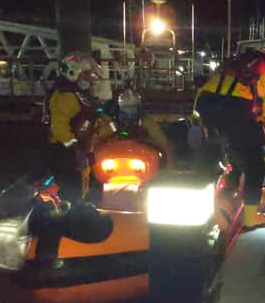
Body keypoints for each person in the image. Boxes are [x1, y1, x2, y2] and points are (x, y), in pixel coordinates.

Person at [195, 50, 265, 229]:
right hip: (233, 106)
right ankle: (250, 217)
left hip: (205, 103)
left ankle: (223, 200)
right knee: (255, 164)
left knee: (235, 159)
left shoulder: (231, 69)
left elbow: (203, 92)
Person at [47, 52, 111, 203]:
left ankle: (78, 208)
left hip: (80, 150)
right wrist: (75, 148)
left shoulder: (80, 95)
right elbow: (59, 126)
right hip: (68, 154)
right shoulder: (68, 97)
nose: (90, 78)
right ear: (73, 73)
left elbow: (92, 117)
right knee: (72, 192)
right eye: (86, 74)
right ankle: (70, 214)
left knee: (81, 187)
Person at [114, 88, 175, 165]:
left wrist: (168, 165)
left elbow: (162, 141)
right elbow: (103, 137)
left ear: (138, 107)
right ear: (121, 108)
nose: (130, 111)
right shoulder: (114, 123)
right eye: (127, 108)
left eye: (133, 108)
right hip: (117, 157)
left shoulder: (147, 122)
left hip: (141, 158)